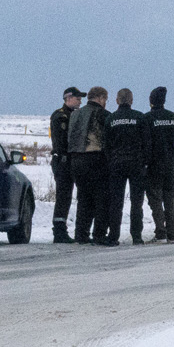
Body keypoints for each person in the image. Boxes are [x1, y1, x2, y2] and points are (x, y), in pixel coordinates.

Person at [103, 88, 149, 246]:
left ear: (117, 100)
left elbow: (106, 144)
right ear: (131, 100)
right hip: (136, 164)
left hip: (116, 164)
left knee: (116, 202)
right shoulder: (140, 118)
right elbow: (147, 143)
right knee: (137, 202)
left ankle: (113, 236)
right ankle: (136, 236)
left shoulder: (110, 119)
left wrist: (111, 160)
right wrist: (144, 161)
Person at [66, 86, 109, 244]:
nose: (105, 103)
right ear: (100, 98)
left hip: (76, 159)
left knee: (83, 198)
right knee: (101, 198)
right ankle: (99, 234)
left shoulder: (75, 115)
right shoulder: (103, 115)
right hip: (96, 158)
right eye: (105, 99)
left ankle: (81, 234)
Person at [144, 86, 174, 242]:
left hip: (153, 166)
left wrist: (146, 162)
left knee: (155, 200)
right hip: (170, 165)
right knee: (169, 199)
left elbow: (145, 143)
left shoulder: (147, 119)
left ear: (151, 101)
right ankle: (172, 232)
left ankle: (161, 232)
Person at [48, 86, 82, 243]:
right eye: (77, 98)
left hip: (70, 160)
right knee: (63, 195)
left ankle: (62, 228)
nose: (79, 101)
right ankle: (59, 230)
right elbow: (63, 141)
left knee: (67, 196)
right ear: (68, 98)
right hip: (63, 160)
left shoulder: (73, 115)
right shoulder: (61, 116)